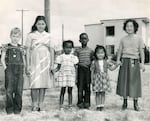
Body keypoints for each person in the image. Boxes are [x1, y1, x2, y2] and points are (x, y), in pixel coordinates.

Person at [25, 16, 54, 111]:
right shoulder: (31, 35)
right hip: (34, 60)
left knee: (43, 83)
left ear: (45, 25)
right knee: (34, 82)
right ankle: (34, 104)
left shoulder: (49, 35)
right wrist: (28, 64)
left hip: (45, 60)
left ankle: (41, 104)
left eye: (43, 24)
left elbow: (52, 50)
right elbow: (28, 50)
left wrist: (52, 64)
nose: (41, 26)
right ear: (35, 24)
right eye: (39, 24)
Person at [116, 19, 145, 111]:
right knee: (124, 82)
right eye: (127, 26)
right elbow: (119, 51)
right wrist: (117, 60)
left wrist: (142, 63)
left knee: (134, 83)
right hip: (124, 61)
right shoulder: (123, 39)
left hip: (134, 61)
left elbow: (141, 51)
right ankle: (125, 102)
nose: (129, 28)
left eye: (131, 26)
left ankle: (135, 103)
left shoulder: (139, 38)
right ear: (125, 28)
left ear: (135, 27)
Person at [1, 27, 26, 114]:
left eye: (17, 36)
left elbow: (23, 59)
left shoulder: (21, 48)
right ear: (10, 36)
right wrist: (5, 68)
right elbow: (2, 59)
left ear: (20, 37)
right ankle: (10, 109)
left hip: (19, 70)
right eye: (14, 36)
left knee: (19, 90)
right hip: (9, 70)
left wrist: (24, 68)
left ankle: (17, 110)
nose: (15, 38)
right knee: (9, 90)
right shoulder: (6, 47)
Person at [51, 40, 78, 110]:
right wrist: (54, 71)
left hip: (71, 76)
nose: (68, 49)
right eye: (66, 47)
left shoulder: (73, 57)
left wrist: (76, 77)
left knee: (70, 91)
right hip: (63, 76)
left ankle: (70, 105)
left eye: (70, 48)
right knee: (62, 91)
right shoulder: (60, 57)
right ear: (63, 48)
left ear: (72, 48)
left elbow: (76, 68)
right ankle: (61, 105)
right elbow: (58, 67)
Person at [90, 45, 118, 111]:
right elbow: (92, 71)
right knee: (97, 93)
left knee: (103, 93)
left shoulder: (106, 61)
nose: (100, 54)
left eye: (102, 53)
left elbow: (111, 68)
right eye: (98, 53)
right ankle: (98, 105)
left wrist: (117, 65)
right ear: (95, 54)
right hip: (97, 79)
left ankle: (102, 105)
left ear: (104, 53)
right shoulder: (94, 62)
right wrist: (92, 80)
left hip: (104, 79)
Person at [75, 33, 94, 109]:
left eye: (85, 38)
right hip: (80, 69)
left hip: (87, 70)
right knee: (80, 87)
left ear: (88, 40)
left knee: (87, 86)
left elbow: (92, 60)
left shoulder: (90, 51)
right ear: (80, 40)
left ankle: (87, 102)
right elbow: (75, 61)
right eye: (82, 38)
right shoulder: (77, 50)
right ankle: (80, 102)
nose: (84, 40)